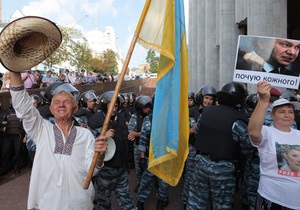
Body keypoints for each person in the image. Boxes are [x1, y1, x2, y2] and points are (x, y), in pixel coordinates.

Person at [8, 70, 108, 210]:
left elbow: (91, 170)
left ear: (75, 108)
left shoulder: (85, 135)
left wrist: (100, 156)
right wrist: (14, 70)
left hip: (80, 204)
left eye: (67, 102)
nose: (61, 105)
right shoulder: (42, 129)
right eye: (57, 102)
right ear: (51, 109)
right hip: (47, 205)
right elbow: (24, 108)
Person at [186, 82, 250, 210]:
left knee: (196, 202)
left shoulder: (206, 112)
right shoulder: (239, 120)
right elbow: (247, 148)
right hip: (223, 169)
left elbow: (197, 133)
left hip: (201, 164)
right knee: (221, 205)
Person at [248, 81, 300, 209]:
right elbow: (253, 132)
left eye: (290, 112)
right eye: (282, 112)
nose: (287, 115)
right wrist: (264, 101)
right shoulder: (267, 132)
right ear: (272, 115)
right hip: (271, 198)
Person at [88, 91, 136, 210]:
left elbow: (124, 139)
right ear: (105, 106)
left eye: (116, 105)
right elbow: (88, 146)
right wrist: (103, 136)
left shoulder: (121, 119)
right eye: (111, 106)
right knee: (104, 203)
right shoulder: (95, 121)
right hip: (106, 171)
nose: (114, 109)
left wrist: (130, 138)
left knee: (127, 202)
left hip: (121, 169)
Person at [182, 85, 217, 208]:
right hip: (193, 149)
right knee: (190, 177)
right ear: (201, 97)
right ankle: (185, 202)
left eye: (211, 99)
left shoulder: (214, 112)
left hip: (207, 151)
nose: (208, 101)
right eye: (206, 98)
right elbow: (183, 132)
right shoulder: (192, 111)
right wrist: (194, 128)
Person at [127, 95, 152, 193]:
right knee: (139, 168)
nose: (148, 109)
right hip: (138, 146)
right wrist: (144, 133)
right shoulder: (134, 117)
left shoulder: (152, 117)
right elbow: (131, 131)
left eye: (149, 107)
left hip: (150, 147)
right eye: (146, 107)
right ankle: (139, 184)